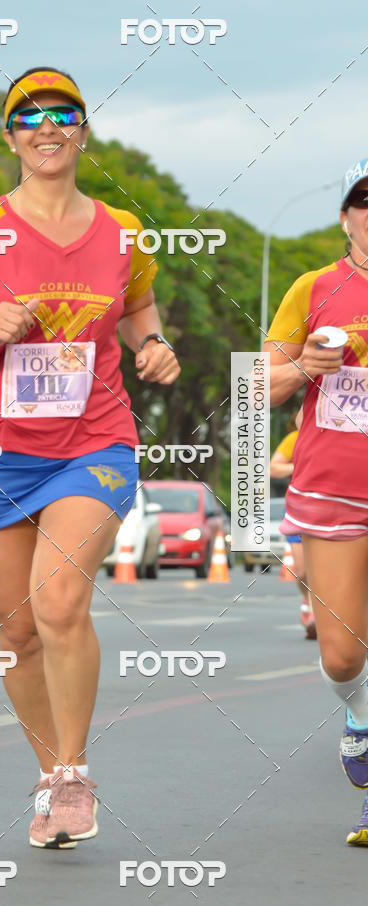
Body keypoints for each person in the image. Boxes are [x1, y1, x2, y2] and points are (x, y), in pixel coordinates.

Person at [0, 67, 180, 849]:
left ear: (83, 131)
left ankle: (75, 774)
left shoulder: (123, 230)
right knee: (19, 634)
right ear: (10, 137)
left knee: (59, 603)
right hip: (1, 454)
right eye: (29, 118)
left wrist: (154, 344)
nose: (47, 128)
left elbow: (138, 309)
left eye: (63, 114)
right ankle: (51, 777)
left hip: (95, 444)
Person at [264, 157, 368, 845]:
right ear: (345, 217)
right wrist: (305, 365)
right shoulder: (314, 288)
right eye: (366, 200)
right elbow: (257, 388)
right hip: (334, 490)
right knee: (341, 655)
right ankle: (359, 715)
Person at [269, 414, 316, 639]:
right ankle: (307, 600)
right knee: (303, 571)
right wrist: (300, 466)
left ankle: (318, 612)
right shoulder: (294, 439)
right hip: (299, 508)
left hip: (330, 508)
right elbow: (273, 468)